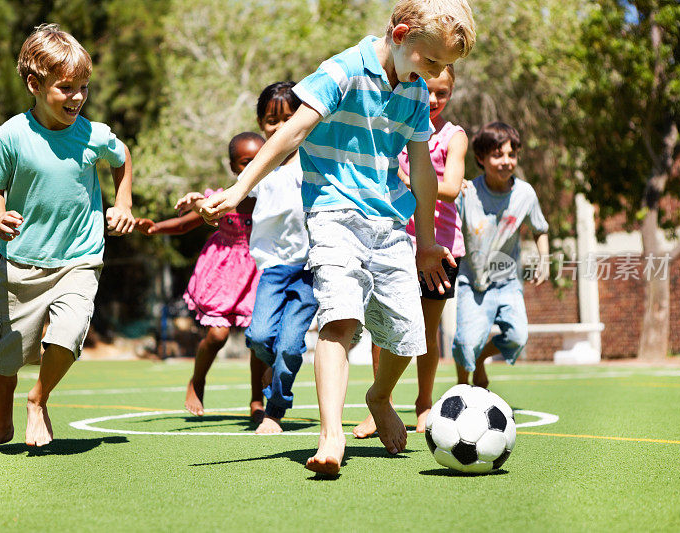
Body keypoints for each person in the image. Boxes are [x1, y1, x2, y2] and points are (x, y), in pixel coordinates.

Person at [199, 0, 476, 474]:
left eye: (445, 67)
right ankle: (331, 434)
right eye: (432, 61)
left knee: (408, 336)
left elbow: (425, 171)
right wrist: (239, 188)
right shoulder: (344, 70)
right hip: (332, 213)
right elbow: (291, 133)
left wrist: (426, 241)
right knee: (340, 319)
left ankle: (379, 395)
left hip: (390, 222)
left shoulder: (412, 91)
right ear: (401, 34)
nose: (436, 75)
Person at [0, 24, 135, 453]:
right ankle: (0, 426)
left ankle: (38, 399)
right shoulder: (12, 135)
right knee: (5, 355)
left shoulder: (93, 134)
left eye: (83, 88)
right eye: (66, 88)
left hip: (80, 255)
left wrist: (124, 202)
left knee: (69, 333)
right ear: (34, 85)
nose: (77, 97)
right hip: (23, 260)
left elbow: (123, 156)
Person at [353, 64, 467, 437]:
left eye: (442, 93)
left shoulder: (454, 136)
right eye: (428, 90)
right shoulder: (399, 128)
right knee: (383, 329)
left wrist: (406, 178)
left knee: (427, 332)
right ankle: (379, 404)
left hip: (441, 248)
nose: (433, 100)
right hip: (394, 241)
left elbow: (450, 186)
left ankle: (424, 403)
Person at [143, 133, 268, 420]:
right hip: (224, 271)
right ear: (233, 166)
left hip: (258, 269)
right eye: (245, 162)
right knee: (217, 334)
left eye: (258, 160)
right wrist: (155, 228)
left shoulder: (272, 198)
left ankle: (256, 400)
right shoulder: (224, 198)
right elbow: (185, 224)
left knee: (258, 337)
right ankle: (197, 380)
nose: (252, 167)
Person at [243, 82, 317, 435]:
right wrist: (202, 199)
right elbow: (235, 194)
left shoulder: (315, 160)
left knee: (290, 344)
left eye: (290, 118)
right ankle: (278, 364)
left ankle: (275, 409)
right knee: (258, 337)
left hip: (309, 269)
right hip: (272, 268)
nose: (281, 126)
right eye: (272, 120)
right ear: (261, 124)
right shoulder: (261, 165)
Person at [453, 121, 549, 388]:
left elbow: (540, 229)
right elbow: (450, 229)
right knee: (465, 342)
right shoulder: (467, 193)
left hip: (507, 282)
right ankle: (461, 387)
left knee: (518, 336)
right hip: (472, 282)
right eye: (497, 155)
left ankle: (482, 357)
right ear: (481, 159)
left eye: (511, 154)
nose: (506, 161)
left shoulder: (525, 194)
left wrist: (545, 261)